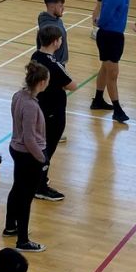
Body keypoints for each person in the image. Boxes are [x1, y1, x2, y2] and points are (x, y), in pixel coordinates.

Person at [3, 62, 50, 254]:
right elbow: (30, 138)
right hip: (28, 154)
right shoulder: (30, 105)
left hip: (17, 149)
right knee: (25, 197)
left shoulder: (18, 96)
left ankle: (10, 226)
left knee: (17, 189)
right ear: (40, 82)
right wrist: (42, 159)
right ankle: (23, 240)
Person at [31, 25, 77, 203]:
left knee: (42, 145)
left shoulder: (35, 56)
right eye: (60, 39)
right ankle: (40, 187)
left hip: (40, 108)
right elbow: (72, 85)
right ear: (55, 42)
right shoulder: (54, 64)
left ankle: (39, 178)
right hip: (52, 112)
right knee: (47, 148)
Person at [90, 0, 135, 124]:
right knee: (113, 73)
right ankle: (117, 110)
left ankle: (98, 100)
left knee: (105, 68)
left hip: (117, 36)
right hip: (108, 36)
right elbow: (105, 17)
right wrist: (97, 22)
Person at [36, 0, 69, 64]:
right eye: (60, 6)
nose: (63, 8)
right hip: (54, 63)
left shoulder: (56, 19)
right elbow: (48, 49)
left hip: (60, 61)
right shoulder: (49, 27)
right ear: (52, 6)